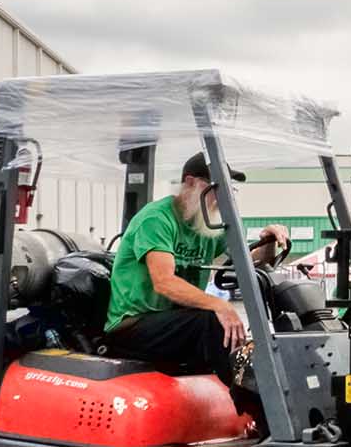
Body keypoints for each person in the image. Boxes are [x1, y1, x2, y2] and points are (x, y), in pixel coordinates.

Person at [103, 152, 289, 404]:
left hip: (176, 323)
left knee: (237, 332)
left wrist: (269, 242)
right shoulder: (157, 219)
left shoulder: (207, 227)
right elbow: (164, 281)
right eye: (216, 189)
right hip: (134, 325)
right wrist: (219, 305)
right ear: (190, 183)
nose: (220, 199)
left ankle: (274, 392)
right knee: (212, 321)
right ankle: (261, 409)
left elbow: (247, 261)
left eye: (227, 190)